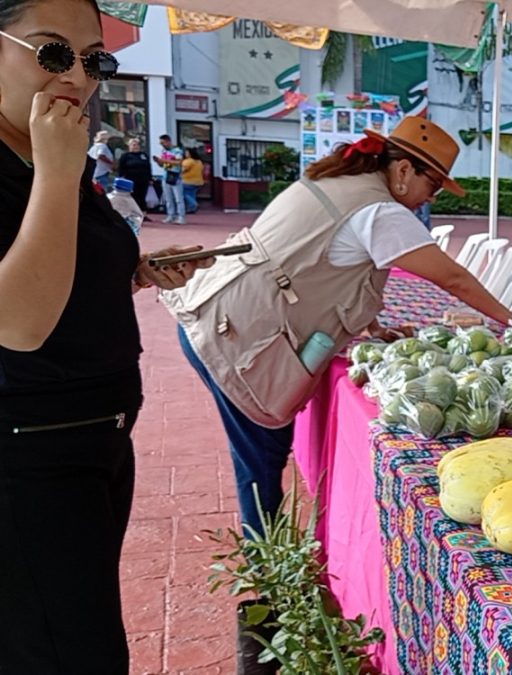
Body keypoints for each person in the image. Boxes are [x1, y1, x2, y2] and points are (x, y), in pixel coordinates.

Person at [164, 117, 512, 537]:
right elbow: (452, 278)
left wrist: (373, 326)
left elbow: (329, 266)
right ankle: (266, 575)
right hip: (237, 338)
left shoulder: (339, 186)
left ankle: (267, 560)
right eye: (433, 185)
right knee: (259, 461)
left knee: (258, 455)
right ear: (403, 171)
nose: (429, 198)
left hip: (223, 319)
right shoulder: (379, 211)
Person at [0, 0, 210, 669]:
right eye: (52, 51)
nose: (79, 76)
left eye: (94, 59)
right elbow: (18, 322)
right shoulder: (49, 157)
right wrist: (60, 172)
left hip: (92, 442)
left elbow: (55, 269)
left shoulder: (41, 150)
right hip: (28, 458)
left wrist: (133, 267)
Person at [154, 132, 185, 224]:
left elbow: (179, 162)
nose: (162, 145)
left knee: (178, 198)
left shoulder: (177, 151)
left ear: (168, 141)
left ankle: (181, 216)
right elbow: (162, 164)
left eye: (163, 143)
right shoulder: (164, 151)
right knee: (168, 198)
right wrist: (158, 162)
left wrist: (163, 160)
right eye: (161, 143)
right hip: (166, 175)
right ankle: (171, 215)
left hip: (175, 176)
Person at [118, 135, 152, 214]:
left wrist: (150, 178)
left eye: (136, 145)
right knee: (133, 197)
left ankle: (143, 213)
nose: (135, 146)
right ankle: (133, 213)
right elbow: (121, 168)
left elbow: (148, 167)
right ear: (129, 146)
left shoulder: (143, 155)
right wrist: (121, 178)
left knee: (142, 196)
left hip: (143, 180)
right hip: (130, 180)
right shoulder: (125, 156)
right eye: (133, 145)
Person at [181, 146, 204, 214]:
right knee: (191, 194)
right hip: (198, 181)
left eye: (187, 153)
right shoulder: (199, 161)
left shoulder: (188, 161)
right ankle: (191, 208)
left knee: (183, 193)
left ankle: (194, 204)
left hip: (187, 181)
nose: (185, 154)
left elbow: (182, 170)